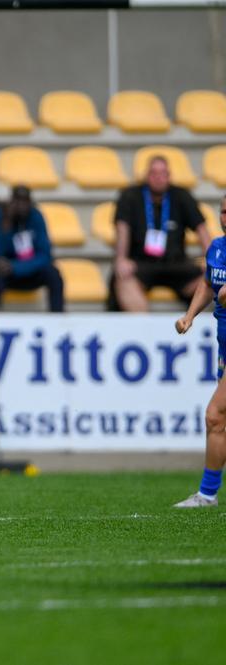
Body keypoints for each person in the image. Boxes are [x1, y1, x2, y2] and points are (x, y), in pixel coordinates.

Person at [174, 194, 226, 508]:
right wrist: (190, 315)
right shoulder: (217, 248)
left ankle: (207, 494)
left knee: (215, 415)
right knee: (221, 421)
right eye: (223, 211)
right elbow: (209, 283)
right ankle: (208, 494)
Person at [111, 155, 210, 312]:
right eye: (153, 173)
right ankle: (144, 330)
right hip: (141, 263)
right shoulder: (130, 196)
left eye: (163, 173)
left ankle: (193, 323)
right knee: (123, 278)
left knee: (214, 277)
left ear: (169, 176)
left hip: (177, 264)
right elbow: (122, 228)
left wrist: (210, 260)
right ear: (146, 175)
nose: (158, 178)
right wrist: (121, 259)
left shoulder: (181, 195)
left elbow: (201, 228)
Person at [0, 185, 64, 313]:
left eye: (25, 201)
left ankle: (57, 319)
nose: (21, 206)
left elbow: (45, 255)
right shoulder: (1, 217)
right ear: (11, 201)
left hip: (28, 270)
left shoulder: (36, 217)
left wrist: (15, 267)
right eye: (17, 201)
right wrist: (7, 224)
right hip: (7, 274)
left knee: (53, 274)